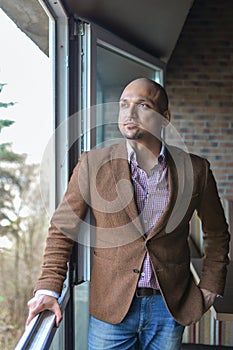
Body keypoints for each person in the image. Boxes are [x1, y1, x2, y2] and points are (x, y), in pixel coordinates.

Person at [27, 78, 230, 350]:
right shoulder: (93, 163)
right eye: (124, 105)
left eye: (142, 105)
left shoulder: (196, 170)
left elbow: (217, 234)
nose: (129, 113)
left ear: (164, 118)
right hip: (111, 308)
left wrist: (210, 288)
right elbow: (62, 228)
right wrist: (49, 287)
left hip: (169, 308)